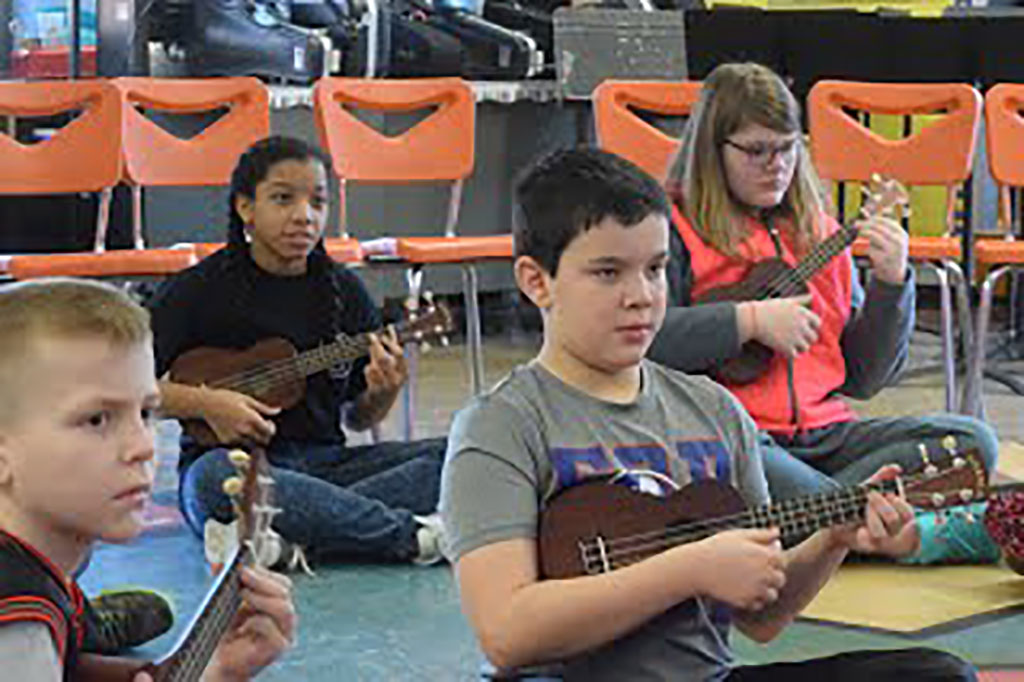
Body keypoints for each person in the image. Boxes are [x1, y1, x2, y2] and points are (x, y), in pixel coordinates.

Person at [440, 147, 975, 680]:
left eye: (655, 270)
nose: (642, 297)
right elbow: (507, 633)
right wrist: (688, 569)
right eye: (608, 273)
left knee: (936, 676)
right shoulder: (502, 425)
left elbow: (761, 617)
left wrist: (831, 538)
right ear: (537, 281)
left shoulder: (713, 409)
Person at [649, 62, 1000, 563]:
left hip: (829, 435)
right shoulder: (671, 227)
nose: (776, 165)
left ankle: (815, 521)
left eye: (788, 148)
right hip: (740, 442)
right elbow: (648, 342)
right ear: (712, 150)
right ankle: (884, 527)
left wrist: (890, 285)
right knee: (746, 475)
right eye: (756, 150)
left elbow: (863, 379)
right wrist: (748, 321)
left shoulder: (821, 232)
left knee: (974, 443)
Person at [149, 135, 446, 567]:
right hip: (237, 464)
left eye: (318, 203)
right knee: (211, 483)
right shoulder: (196, 290)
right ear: (245, 207)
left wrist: (384, 392)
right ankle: (409, 536)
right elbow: (125, 387)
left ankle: (298, 536)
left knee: (457, 452)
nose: (304, 216)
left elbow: (357, 418)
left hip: (326, 464)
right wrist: (206, 403)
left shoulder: (344, 292)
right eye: (283, 199)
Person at [0, 277, 296, 680]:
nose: (143, 447)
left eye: (147, 413)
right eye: (97, 419)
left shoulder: (34, 572)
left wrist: (215, 670)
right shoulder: (17, 625)